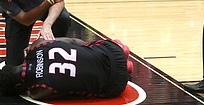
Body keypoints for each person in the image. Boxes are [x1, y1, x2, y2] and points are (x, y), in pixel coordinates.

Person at [0, 37, 131, 99]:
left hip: (115, 84)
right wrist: (89, 48)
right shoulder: (37, 45)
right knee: (112, 48)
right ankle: (120, 50)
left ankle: (127, 67)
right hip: (113, 52)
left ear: (18, 86)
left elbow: (70, 92)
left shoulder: (37, 91)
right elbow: (73, 41)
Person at [0, 0, 71, 66]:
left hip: (42, 6)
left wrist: (47, 25)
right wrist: (49, 0)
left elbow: (60, 0)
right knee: (13, 64)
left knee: (63, 19)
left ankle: (54, 51)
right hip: (21, 16)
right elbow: (25, 20)